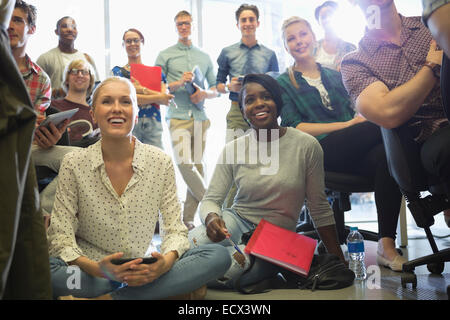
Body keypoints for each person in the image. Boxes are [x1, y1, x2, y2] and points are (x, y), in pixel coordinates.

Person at [47, 76, 231, 300]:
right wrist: (97, 269)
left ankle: (116, 297)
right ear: (93, 115)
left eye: (125, 102)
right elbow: (60, 237)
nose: (116, 109)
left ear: (136, 113)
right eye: (107, 102)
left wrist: (165, 262)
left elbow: (175, 230)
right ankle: (147, 293)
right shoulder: (74, 163)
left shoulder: (160, 162)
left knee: (217, 255)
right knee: (46, 270)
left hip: (143, 271)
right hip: (92, 275)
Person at [189, 73, 345, 290]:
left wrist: (338, 257)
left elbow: (318, 206)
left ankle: (259, 269)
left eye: (266, 97)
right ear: (243, 111)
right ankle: (257, 274)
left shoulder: (306, 146)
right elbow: (211, 200)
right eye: (250, 100)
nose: (259, 104)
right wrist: (211, 218)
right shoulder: (233, 148)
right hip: (236, 222)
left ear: (278, 103)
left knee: (223, 264)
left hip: (275, 239)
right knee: (189, 246)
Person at [278, 16, 405, 272]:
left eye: (303, 34)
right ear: (285, 46)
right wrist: (347, 126)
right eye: (291, 38)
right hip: (317, 150)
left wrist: (356, 123)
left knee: (385, 157)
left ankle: (386, 244)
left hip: (352, 147)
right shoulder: (283, 83)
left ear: (313, 37)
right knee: (383, 123)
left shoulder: (336, 75)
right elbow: (296, 127)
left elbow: (359, 108)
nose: (299, 41)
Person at [341, 1, 450, 228]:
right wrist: (432, 66)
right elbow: (388, 112)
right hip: (425, 139)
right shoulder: (355, 62)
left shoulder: (430, 24)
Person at [0, 0, 51, 299]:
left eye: (18, 20)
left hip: (28, 147)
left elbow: (39, 120)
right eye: (8, 19)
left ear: (30, 29)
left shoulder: (40, 77)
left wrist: (46, 133)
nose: (11, 25)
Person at [155, 11, 219, 230]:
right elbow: (157, 88)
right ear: (175, 27)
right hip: (178, 117)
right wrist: (177, 82)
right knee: (185, 164)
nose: (184, 27)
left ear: (192, 26)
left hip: (201, 118)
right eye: (180, 24)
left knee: (199, 167)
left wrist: (204, 94)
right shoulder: (165, 55)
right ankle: (212, 205)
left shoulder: (204, 56)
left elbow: (216, 89)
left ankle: (188, 220)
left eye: (187, 23)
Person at [216, 3, 279, 208]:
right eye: (244, 20)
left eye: (251, 19)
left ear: (258, 23)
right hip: (236, 111)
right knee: (234, 162)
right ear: (238, 24)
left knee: (264, 163)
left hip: (263, 113)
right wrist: (228, 86)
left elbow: (276, 83)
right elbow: (218, 85)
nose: (248, 23)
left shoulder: (269, 54)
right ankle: (228, 215)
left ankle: (261, 212)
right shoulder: (227, 52)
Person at [112, 28, 173, 149]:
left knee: (156, 162)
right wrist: (157, 96)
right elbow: (129, 99)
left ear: (142, 42)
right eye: (128, 41)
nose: (133, 44)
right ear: (123, 44)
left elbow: (165, 100)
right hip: (130, 122)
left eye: (136, 40)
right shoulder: (118, 72)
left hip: (153, 122)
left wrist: (140, 89)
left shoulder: (157, 72)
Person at [37, 16, 100, 99]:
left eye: (73, 27)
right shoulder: (45, 59)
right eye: (64, 26)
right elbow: (36, 90)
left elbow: (97, 88)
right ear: (56, 31)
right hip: (55, 110)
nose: (70, 30)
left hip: (83, 108)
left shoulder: (87, 59)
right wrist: (59, 92)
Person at [51, 58, 98, 144]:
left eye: (84, 72)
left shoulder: (95, 114)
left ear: (90, 80)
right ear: (67, 79)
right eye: (74, 71)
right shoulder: (52, 107)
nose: (80, 75)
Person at [313, 1, 356, 71]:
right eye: (323, 17)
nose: (327, 19)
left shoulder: (350, 49)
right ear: (319, 22)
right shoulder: (312, 48)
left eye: (331, 15)